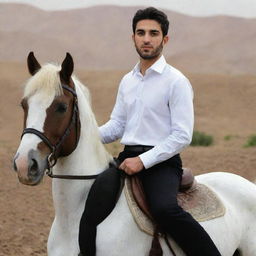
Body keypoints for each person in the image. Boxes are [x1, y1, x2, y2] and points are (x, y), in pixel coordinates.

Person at [98, 7, 222, 256]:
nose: (146, 38)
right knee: (90, 203)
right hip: (125, 159)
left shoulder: (176, 81)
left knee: (165, 209)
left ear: (164, 39)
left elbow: (181, 135)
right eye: (140, 32)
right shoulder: (127, 81)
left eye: (153, 33)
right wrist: (83, 136)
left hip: (162, 163)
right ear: (132, 37)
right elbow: (117, 126)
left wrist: (142, 162)